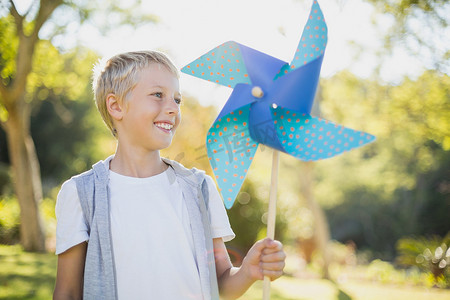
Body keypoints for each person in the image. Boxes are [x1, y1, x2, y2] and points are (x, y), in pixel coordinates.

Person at [53, 50, 286, 300]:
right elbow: (67, 292)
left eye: (177, 99)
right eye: (158, 95)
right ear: (116, 106)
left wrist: (248, 271)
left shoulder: (200, 189)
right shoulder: (82, 194)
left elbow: (219, 285)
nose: (173, 108)